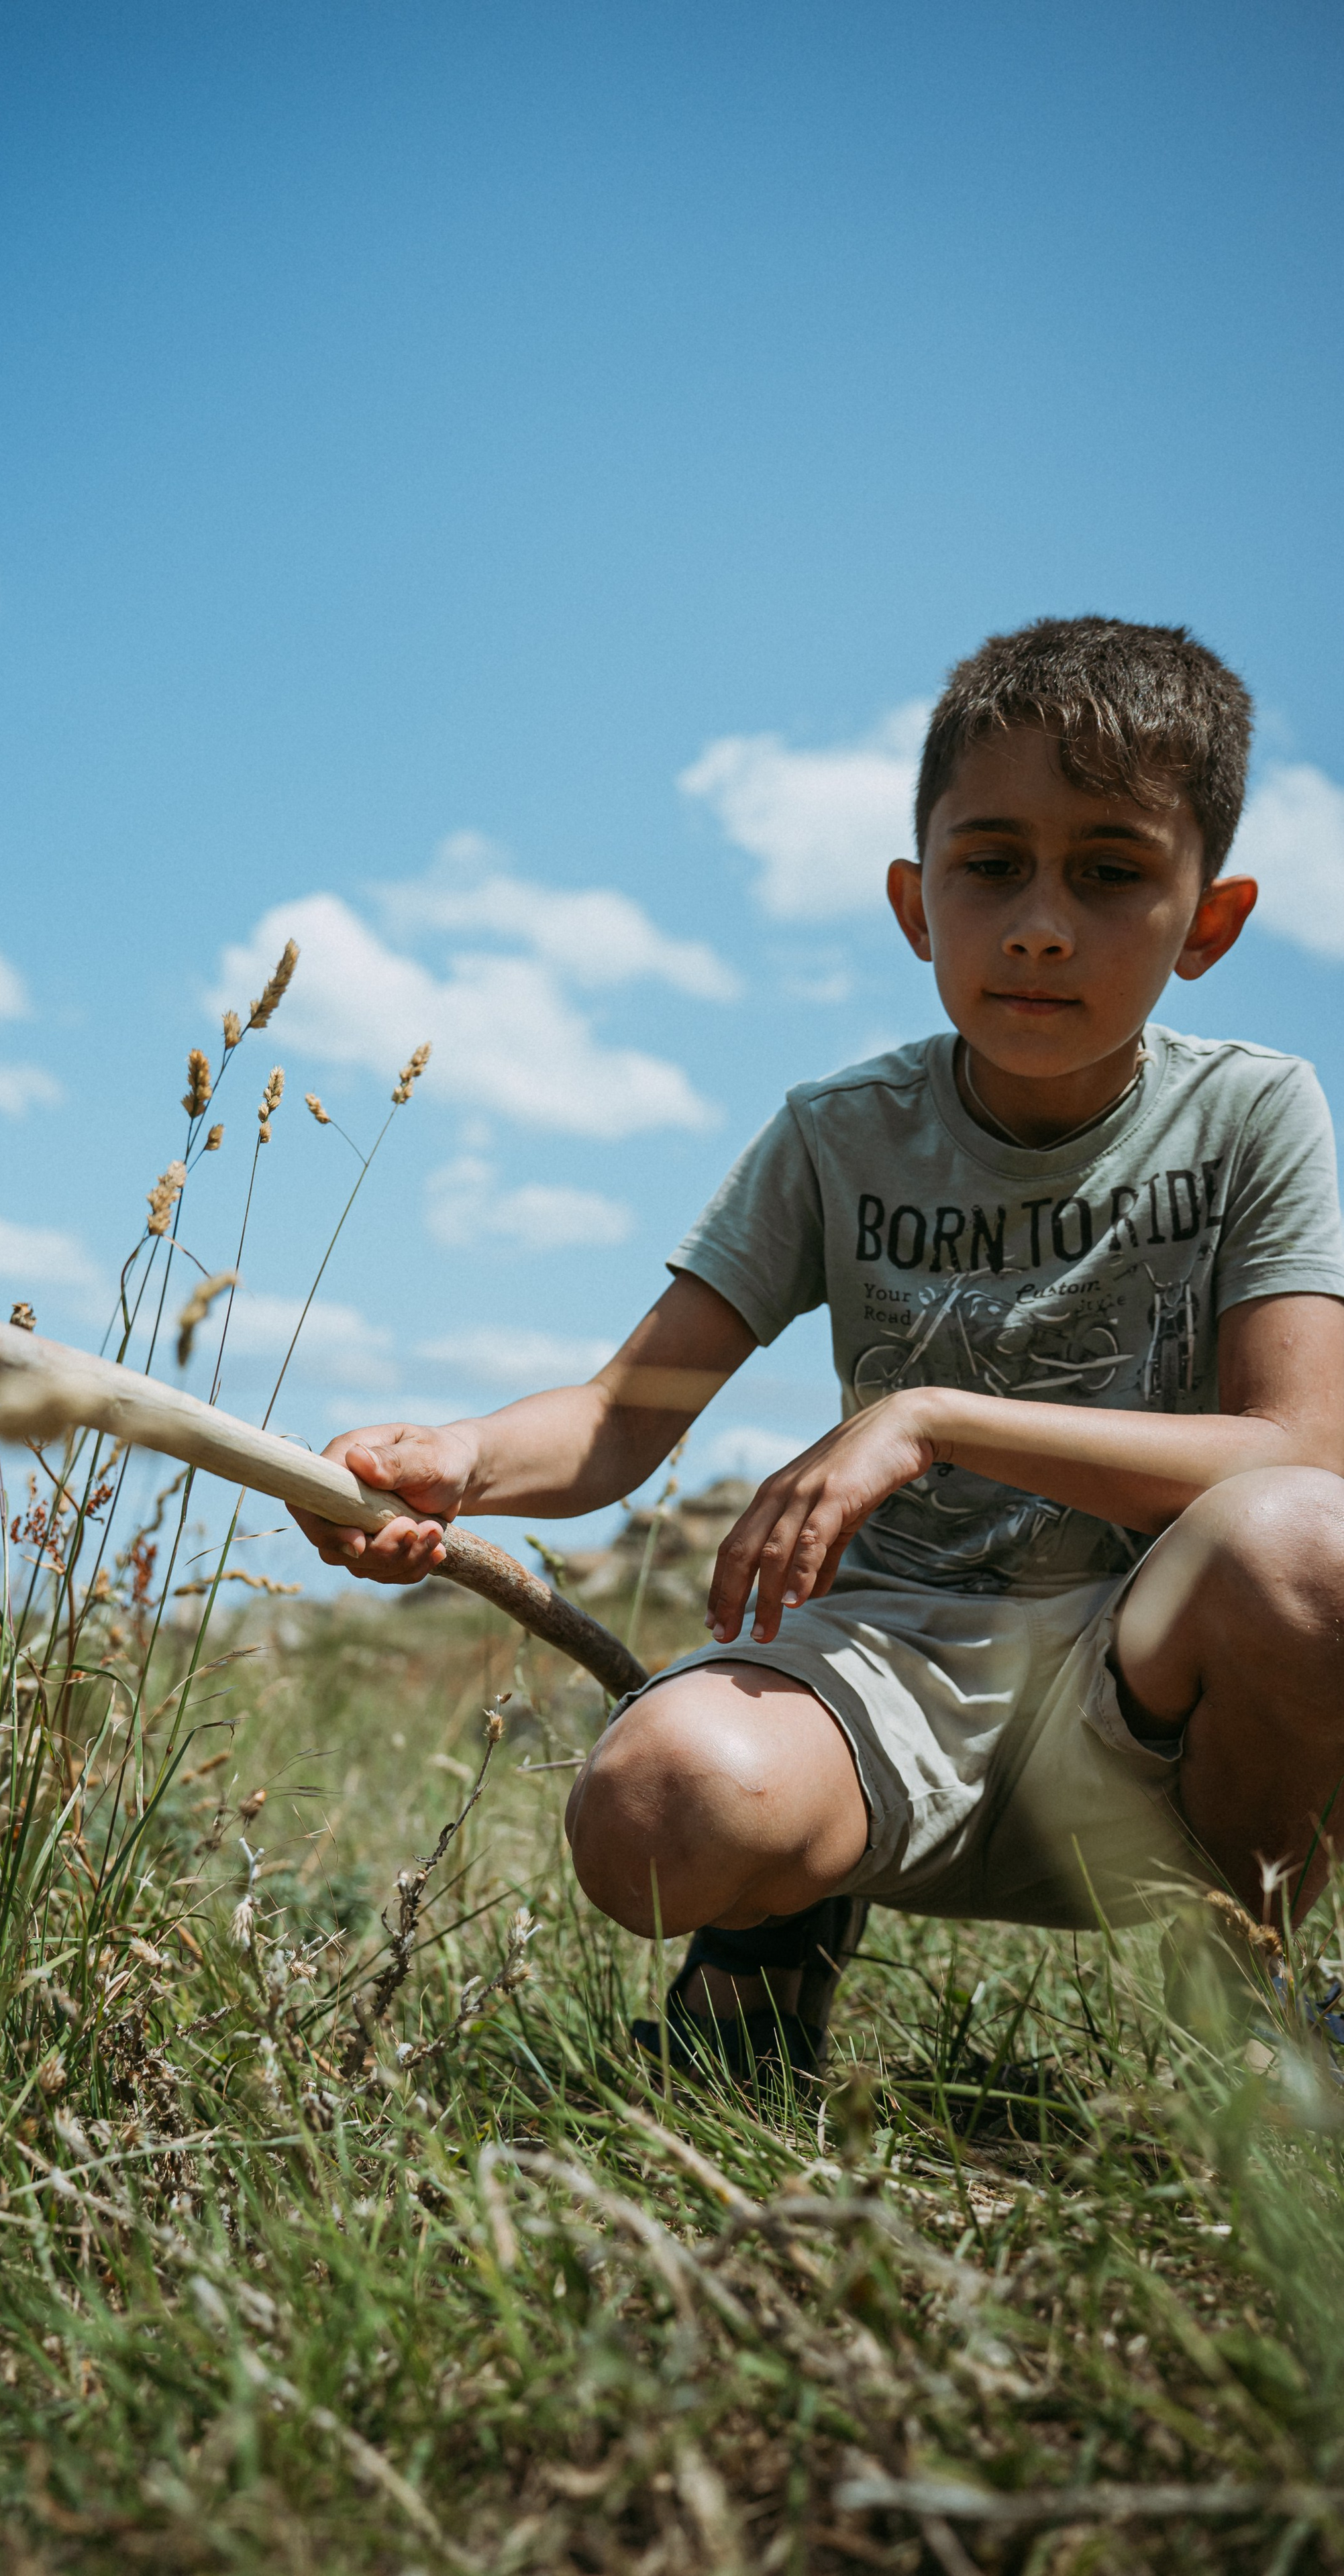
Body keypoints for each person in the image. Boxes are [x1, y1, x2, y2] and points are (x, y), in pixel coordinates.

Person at [293, 617, 1344, 2076]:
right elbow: (617, 1417)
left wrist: (932, 1418)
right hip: (883, 1673)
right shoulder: (834, 1134)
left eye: (1108, 872)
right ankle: (771, 1941)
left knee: (1307, 1551)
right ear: (918, 904)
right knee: (653, 1819)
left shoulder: (1252, 1113)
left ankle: (1246, 2001)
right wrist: (452, 1463)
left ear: (1207, 922)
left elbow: (1296, 1454)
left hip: (1142, 1689)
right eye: (991, 865)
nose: (1039, 921)